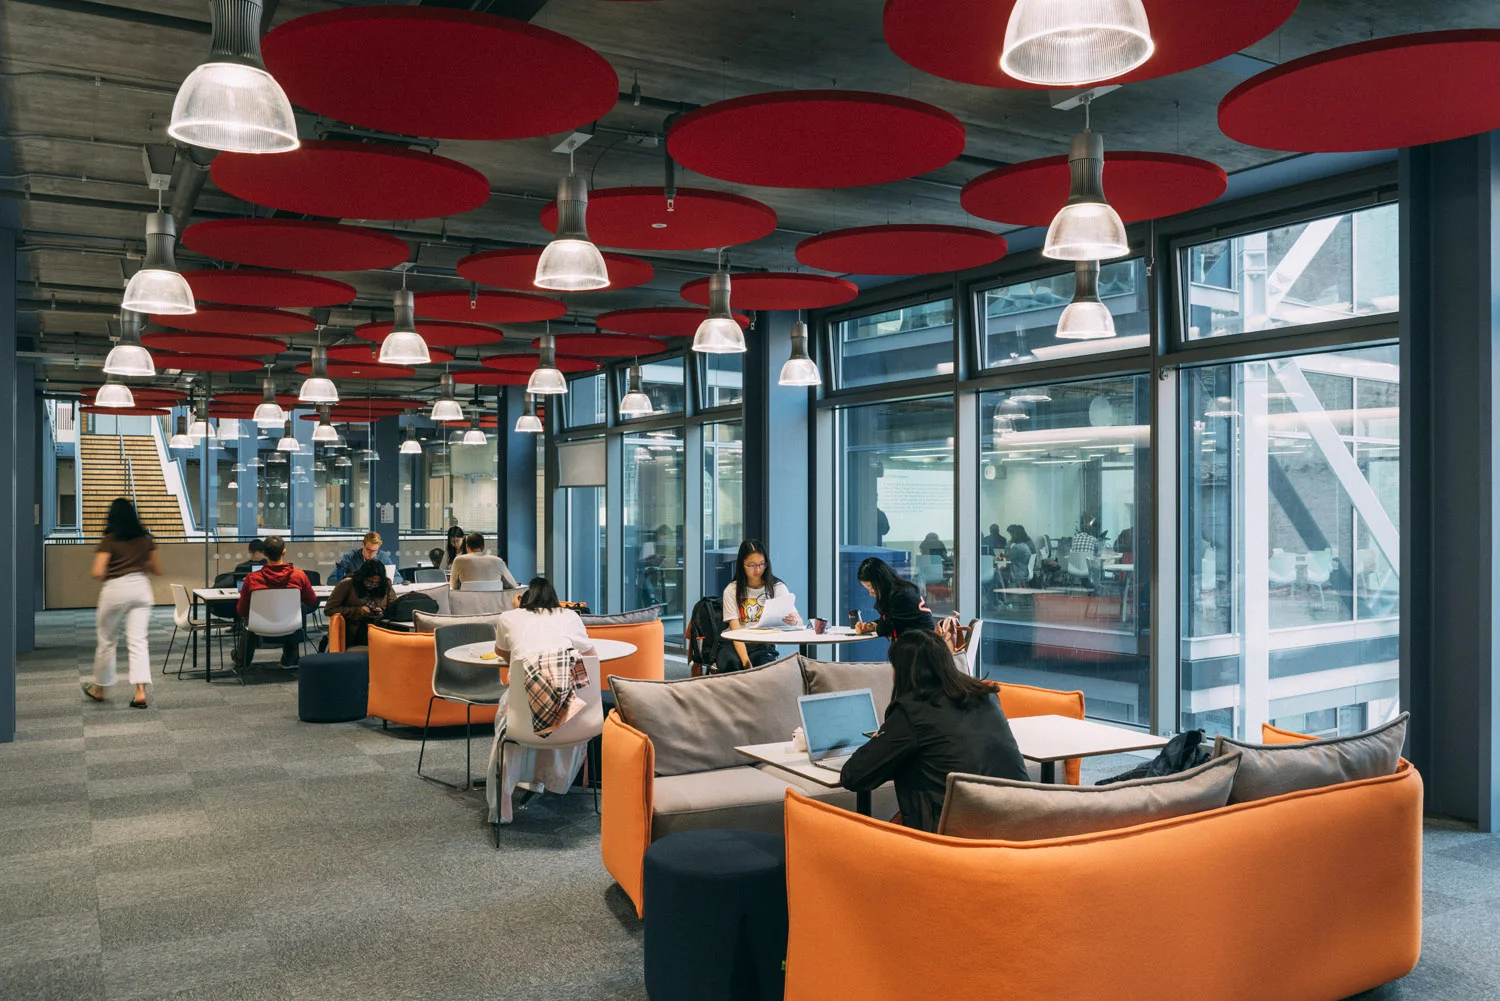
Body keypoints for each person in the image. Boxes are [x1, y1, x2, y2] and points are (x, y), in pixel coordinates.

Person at [841, 630, 1028, 833]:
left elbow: (854, 775)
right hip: (1019, 821)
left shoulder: (913, 711)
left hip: (957, 834)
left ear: (904, 671)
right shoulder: (985, 696)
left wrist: (883, 743)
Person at [83, 498, 161, 709]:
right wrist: (138, 563)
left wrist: (117, 568)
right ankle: (140, 692)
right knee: (138, 641)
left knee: (107, 640)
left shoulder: (109, 539)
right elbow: (157, 569)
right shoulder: (145, 539)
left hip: (116, 589)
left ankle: (100, 688)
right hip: (141, 588)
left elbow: (98, 571)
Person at [235, 535, 318, 668]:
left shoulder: (252, 579)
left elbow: (242, 610)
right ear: (284, 551)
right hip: (290, 625)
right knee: (296, 610)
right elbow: (312, 601)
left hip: (259, 626)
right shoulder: (299, 576)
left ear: (264, 553)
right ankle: (290, 659)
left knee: (247, 620)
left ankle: (243, 660)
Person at [720, 540, 801, 672]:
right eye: (751, 565)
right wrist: (746, 664)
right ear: (742, 565)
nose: (758, 569)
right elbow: (736, 632)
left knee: (763, 670)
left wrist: (794, 620)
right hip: (734, 642)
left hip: (762, 644)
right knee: (731, 665)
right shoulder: (732, 590)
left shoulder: (776, 587)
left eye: (761, 564)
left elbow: (799, 622)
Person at [494, 577, 596, 664]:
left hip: (520, 685)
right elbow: (590, 654)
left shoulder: (507, 617)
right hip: (563, 685)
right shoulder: (569, 615)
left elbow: (501, 651)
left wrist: (517, 610)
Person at [853, 557, 933, 642]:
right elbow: (888, 620)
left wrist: (875, 626)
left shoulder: (900, 597)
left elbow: (883, 629)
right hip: (920, 643)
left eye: (871, 587)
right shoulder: (902, 589)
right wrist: (870, 626)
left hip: (919, 647)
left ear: (880, 581)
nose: (871, 593)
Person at [324, 559, 392, 648]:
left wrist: (382, 610)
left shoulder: (385, 584)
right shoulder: (347, 584)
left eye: (376, 583)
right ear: (362, 577)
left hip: (379, 625)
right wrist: (358, 611)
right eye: (369, 582)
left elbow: (393, 606)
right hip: (356, 628)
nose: (372, 585)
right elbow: (329, 609)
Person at [449, 532, 519, 591]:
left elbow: (453, 585)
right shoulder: (498, 561)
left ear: (467, 547)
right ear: (483, 546)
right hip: (494, 605)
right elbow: (513, 584)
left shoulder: (459, 560)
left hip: (467, 604)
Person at [330, 531, 404, 584]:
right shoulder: (349, 557)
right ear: (362, 545)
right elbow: (332, 579)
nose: (371, 554)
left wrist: (383, 582)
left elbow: (398, 578)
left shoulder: (382, 556)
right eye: (368, 550)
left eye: (375, 551)